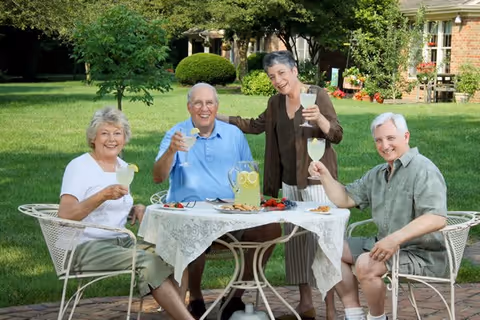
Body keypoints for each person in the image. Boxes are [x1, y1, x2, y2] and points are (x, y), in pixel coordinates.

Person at [217, 50, 343, 320]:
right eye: (272, 76)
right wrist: (217, 115)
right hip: (289, 184)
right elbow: (254, 125)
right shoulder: (275, 103)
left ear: (294, 71)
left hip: (318, 181)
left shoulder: (317, 94)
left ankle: (331, 310)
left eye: (282, 73)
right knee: (297, 246)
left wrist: (319, 117)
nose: (278, 80)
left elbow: (336, 133)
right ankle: (306, 304)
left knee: (325, 245)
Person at [153, 83, 282, 320]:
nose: (204, 108)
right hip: (189, 221)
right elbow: (158, 176)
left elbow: (249, 174)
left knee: (271, 229)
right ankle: (196, 296)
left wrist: (254, 196)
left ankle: (234, 297)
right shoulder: (177, 134)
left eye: (209, 103)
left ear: (217, 106)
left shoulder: (233, 134)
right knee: (194, 231)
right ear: (189, 107)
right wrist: (171, 151)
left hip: (231, 218)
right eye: (198, 103)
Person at [58, 107, 194, 320]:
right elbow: (65, 214)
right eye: (105, 133)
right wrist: (102, 196)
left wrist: (134, 208)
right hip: (82, 247)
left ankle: (176, 315)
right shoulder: (79, 167)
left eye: (117, 133)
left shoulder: (122, 167)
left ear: (125, 138)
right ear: (93, 137)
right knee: (147, 262)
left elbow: (110, 205)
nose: (111, 139)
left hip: (120, 242)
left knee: (178, 253)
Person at [308, 112, 447, 320]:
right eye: (379, 140)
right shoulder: (379, 173)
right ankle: (354, 314)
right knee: (329, 247)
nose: (385, 145)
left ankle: (377, 317)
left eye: (391, 138)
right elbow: (344, 198)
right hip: (385, 245)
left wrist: (394, 239)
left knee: (365, 264)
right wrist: (325, 175)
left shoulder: (424, 169)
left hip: (422, 254)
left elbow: (437, 218)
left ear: (406, 137)